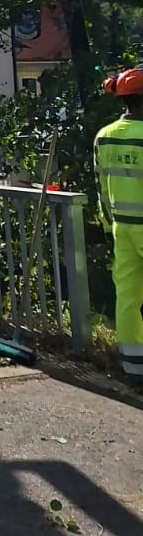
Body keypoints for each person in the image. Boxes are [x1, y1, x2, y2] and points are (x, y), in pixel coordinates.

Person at [94, 68, 143, 381]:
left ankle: (133, 366)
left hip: (121, 227)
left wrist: (108, 221)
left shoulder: (105, 136)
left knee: (127, 296)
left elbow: (100, 186)